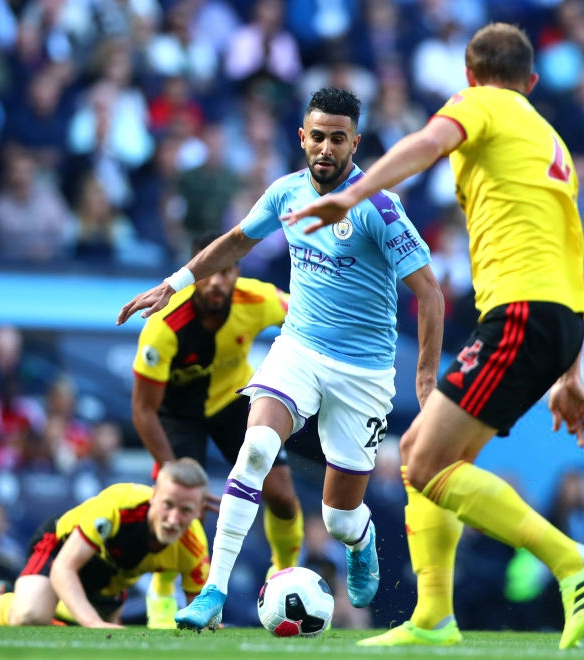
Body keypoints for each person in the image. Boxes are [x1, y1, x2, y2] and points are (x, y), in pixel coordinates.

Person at [282, 23, 584, 650]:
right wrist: (570, 371)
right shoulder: (552, 144)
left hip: (520, 312)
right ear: (533, 81)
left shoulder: (482, 102)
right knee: (429, 455)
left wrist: (353, 195)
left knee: (421, 460)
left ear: (469, 76)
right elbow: (572, 249)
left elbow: (428, 141)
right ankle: (434, 616)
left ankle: (574, 561)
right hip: (555, 318)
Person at [116, 87, 444, 631]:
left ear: (355, 143)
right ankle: (214, 592)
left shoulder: (378, 207)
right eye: (318, 137)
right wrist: (174, 284)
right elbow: (236, 241)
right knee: (255, 451)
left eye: (338, 139)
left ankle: (360, 539)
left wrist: (426, 378)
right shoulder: (285, 193)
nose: (326, 148)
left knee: (338, 518)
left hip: (363, 373)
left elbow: (429, 293)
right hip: (299, 350)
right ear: (302, 138)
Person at [131, 230, 306, 629]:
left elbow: (309, 318)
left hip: (233, 401)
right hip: (176, 413)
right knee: (177, 502)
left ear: (236, 273)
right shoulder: (163, 324)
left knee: (282, 497)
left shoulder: (257, 299)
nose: (216, 281)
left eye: (225, 271)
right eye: (207, 272)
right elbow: (143, 410)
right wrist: (170, 469)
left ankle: (284, 575)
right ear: (193, 273)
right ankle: (162, 591)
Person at [0, 458, 211, 628]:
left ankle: (62, 612)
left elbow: (198, 610)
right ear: (154, 495)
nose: (173, 519)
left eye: (185, 510)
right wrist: (93, 623)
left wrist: (208, 624)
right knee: (30, 616)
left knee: (86, 626)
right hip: (61, 548)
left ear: (199, 511)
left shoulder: (194, 546)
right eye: (168, 505)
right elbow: (64, 567)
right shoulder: (119, 505)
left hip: (112, 576)